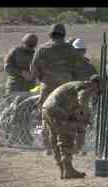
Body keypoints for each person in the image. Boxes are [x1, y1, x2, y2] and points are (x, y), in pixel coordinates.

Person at [30, 23, 83, 156]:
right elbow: (79, 68)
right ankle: (67, 147)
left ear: (50, 35)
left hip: (47, 88)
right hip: (66, 89)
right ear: (63, 35)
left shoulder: (42, 49)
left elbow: (33, 70)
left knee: (46, 116)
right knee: (68, 116)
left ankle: (48, 148)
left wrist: (43, 78)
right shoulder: (71, 49)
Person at [42, 75, 102, 179]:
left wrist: (79, 115)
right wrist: (86, 115)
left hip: (47, 108)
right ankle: (68, 169)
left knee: (55, 139)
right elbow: (82, 98)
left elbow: (73, 104)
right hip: (57, 109)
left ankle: (62, 169)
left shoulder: (75, 85)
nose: (95, 95)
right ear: (96, 85)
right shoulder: (85, 87)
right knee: (66, 136)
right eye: (97, 92)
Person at [3, 33, 38, 145]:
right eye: (28, 44)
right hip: (15, 88)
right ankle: (12, 138)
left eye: (32, 45)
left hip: (29, 89)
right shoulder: (15, 51)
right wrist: (21, 72)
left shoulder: (36, 54)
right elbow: (7, 67)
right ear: (23, 43)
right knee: (14, 113)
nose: (29, 47)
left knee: (26, 115)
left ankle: (24, 137)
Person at [72, 38, 99, 155]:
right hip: (84, 100)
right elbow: (96, 83)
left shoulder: (70, 65)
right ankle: (80, 148)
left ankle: (76, 147)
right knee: (81, 125)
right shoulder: (89, 67)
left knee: (73, 123)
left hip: (73, 99)